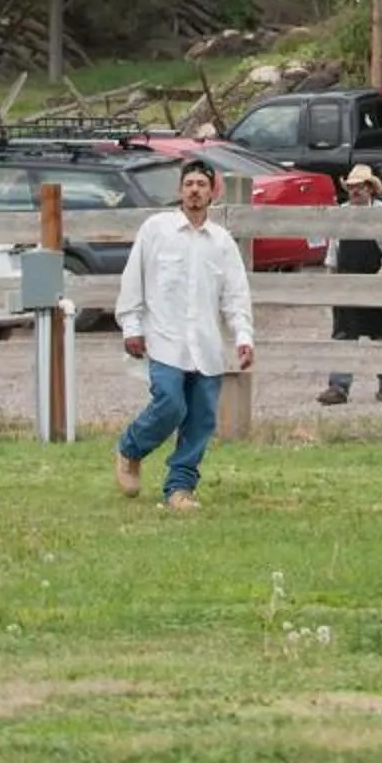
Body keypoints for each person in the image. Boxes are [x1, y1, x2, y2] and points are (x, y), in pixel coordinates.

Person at [115, 158, 255, 511]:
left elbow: (235, 295)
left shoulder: (222, 242)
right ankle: (131, 448)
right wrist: (131, 326)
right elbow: (134, 279)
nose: (194, 190)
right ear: (180, 190)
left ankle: (180, 488)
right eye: (189, 183)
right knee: (170, 403)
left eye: (202, 185)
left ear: (212, 193)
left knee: (201, 418)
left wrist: (243, 336)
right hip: (164, 341)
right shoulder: (156, 230)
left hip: (206, 346)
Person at [319, 163, 382, 406]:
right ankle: (338, 387)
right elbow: (333, 251)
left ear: (370, 189)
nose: (354, 192)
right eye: (351, 188)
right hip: (346, 282)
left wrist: (381, 276)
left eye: (359, 188)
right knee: (344, 333)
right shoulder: (341, 213)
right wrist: (330, 279)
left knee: (381, 336)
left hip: (376, 281)